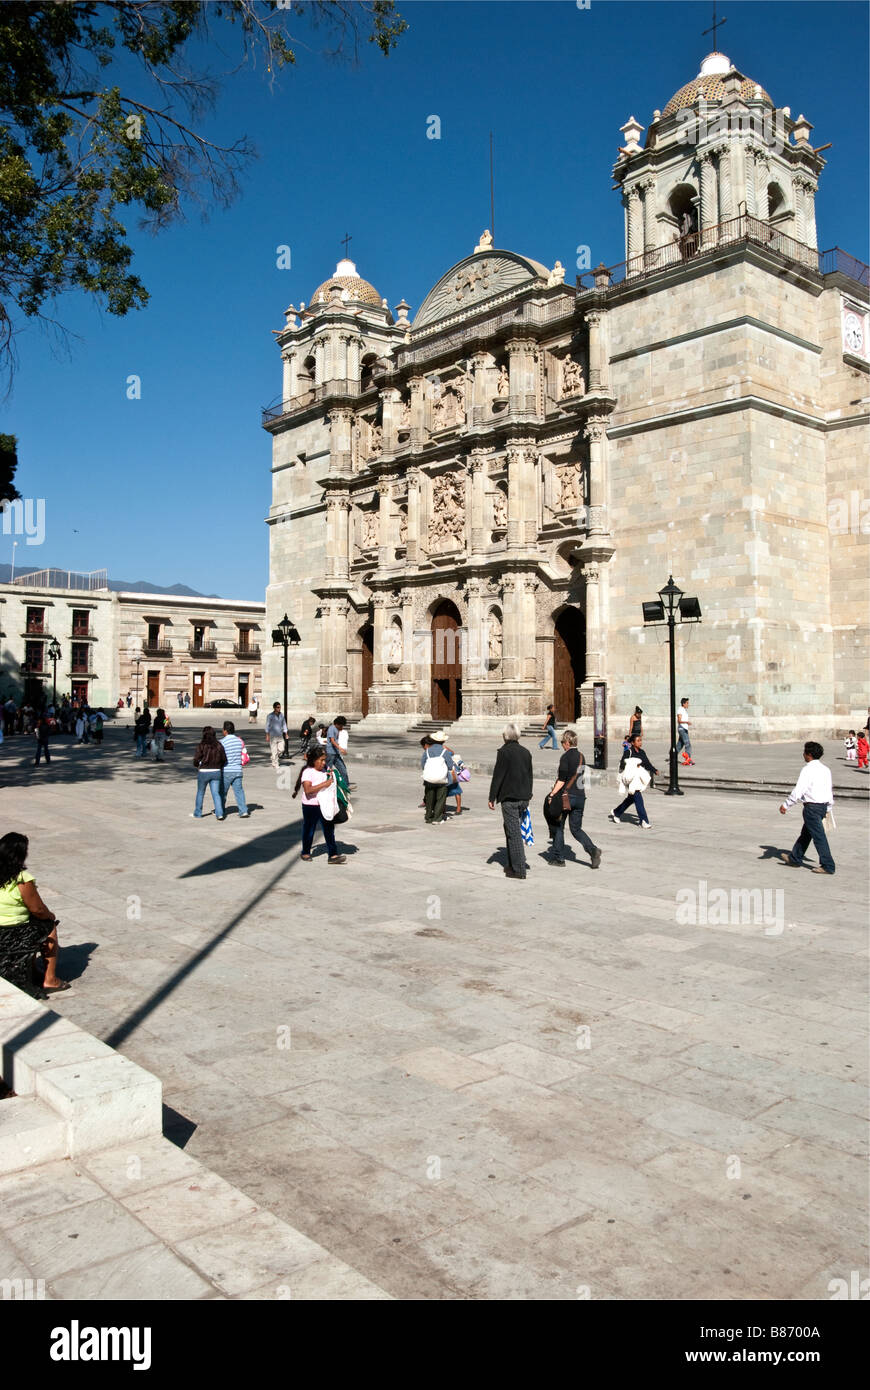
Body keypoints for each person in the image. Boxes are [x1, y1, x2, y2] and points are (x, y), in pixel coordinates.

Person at [0, 833, 68, 992]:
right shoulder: (21, 879)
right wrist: (50, 916)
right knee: (48, 926)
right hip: (11, 932)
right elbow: (37, 909)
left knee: (34, 923)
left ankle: (33, 971)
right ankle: (50, 979)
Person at [545, 728, 601, 868]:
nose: (562, 744)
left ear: (568, 743)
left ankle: (559, 858)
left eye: (563, 742)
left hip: (567, 797)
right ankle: (593, 850)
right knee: (576, 829)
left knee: (559, 826)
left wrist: (552, 795)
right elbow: (584, 780)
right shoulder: (582, 756)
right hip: (580, 797)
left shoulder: (565, 757)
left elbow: (562, 780)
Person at [779, 742, 835, 874]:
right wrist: (829, 807)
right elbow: (829, 790)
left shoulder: (807, 769)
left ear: (809, 755)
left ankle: (828, 865)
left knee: (818, 837)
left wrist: (786, 804)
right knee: (806, 834)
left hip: (811, 808)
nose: (803, 754)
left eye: (804, 752)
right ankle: (795, 858)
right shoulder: (826, 769)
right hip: (822, 806)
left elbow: (799, 790)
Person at [488, 723, 534, 878]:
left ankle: (519, 870)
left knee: (513, 833)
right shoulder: (526, 752)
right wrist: (529, 794)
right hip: (523, 797)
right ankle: (512, 864)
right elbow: (530, 775)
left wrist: (492, 797)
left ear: (505, 736)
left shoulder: (504, 752)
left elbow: (498, 776)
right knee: (510, 828)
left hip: (510, 798)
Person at [293, 748, 346, 864]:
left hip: (324, 804)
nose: (324, 763)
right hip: (310, 805)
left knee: (329, 829)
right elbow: (308, 790)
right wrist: (324, 784)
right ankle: (305, 852)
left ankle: (333, 855)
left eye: (324, 760)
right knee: (309, 829)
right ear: (313, 760)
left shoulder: (325, 770)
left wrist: (332, 777)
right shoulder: (308, 772)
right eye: (321, 760)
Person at [610, 734, 658, 828]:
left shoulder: (642, 752)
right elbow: (623, 764)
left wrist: (654, 770)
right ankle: (644, 821)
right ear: (632, 742)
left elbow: (647, 763)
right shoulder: (629, 752)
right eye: (638, 741)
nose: (640, 742)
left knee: (631, 798)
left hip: (637, 779)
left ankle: (616, 812)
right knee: (638, 797)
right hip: (629, 778)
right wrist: (633, 766)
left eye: (640, 740)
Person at [190, 726, 227, 819]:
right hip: (216, 771)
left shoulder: (201, 745)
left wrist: (197, 765)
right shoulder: (219, 745)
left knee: (200, 792)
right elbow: (224, 759)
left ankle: (198, 813)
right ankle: (220, 813)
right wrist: (219, 766)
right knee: (216, 793)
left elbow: (196, 759)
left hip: (204, 771)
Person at [421, 733, 454, 824]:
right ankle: (437, 818)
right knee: (440, 798)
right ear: (443, 741)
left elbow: (423, 764)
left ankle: (428, 817)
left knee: (429, 798)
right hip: (441, 779)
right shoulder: (445, 752)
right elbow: (450, 766)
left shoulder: (427, 751)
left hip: (429, 779)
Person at [219, 720, 249, 817]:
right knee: (239, 791)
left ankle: (221, 811)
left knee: (222, 793)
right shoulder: (240, 741)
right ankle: (243, 810)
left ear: (225, 731)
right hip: (238, 770)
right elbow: (244, 754)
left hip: (226, 771)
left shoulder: (222, 742)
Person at [326, 716, 350, 786]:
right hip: (330, 753)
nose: (342, 727)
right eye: (341, 726)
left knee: (343, 769)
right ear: (337, 724)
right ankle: (325, 784)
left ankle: (346, 786)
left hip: (336, 753)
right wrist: (341, 749)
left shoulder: (337, 730)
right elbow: (332, 741)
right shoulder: (331, 728)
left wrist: (340, 749)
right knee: (328, 770)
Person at [265, 701, 288, 771]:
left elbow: (284, 724)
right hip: (273, 736)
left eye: (280, 707)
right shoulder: (270, 716)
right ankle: (275, 763)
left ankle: (273, 757)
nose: (279, 708)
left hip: (280, 735)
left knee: (282, 749)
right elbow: (267, 726)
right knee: (274, 751)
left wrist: (286, 733)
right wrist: (267, 735)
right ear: (274, 708)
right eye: (278, 707)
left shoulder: (281, 715)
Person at [677, 697, 694, 765]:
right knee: (688, 744)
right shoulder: (680, 709)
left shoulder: (684, 710)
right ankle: (688, 759)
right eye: (687, 703)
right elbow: (679, 720)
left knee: (680, 744)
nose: (688, 704)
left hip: (684, 729)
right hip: (682, 728)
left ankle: (672, 756)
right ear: (683, 703)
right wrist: (686, 722)